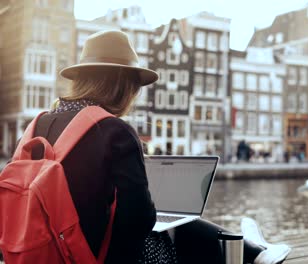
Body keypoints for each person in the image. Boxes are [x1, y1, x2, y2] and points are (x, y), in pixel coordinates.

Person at [20, 30, 289, 264]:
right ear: (123, 86)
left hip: (36, 252)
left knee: (178, 225)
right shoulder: (114, 130)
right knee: (180, 230)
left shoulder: (36, 125)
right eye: (135, 88)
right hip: (91, 258)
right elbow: (139, 219)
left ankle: (252, 249)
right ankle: (251, 251)